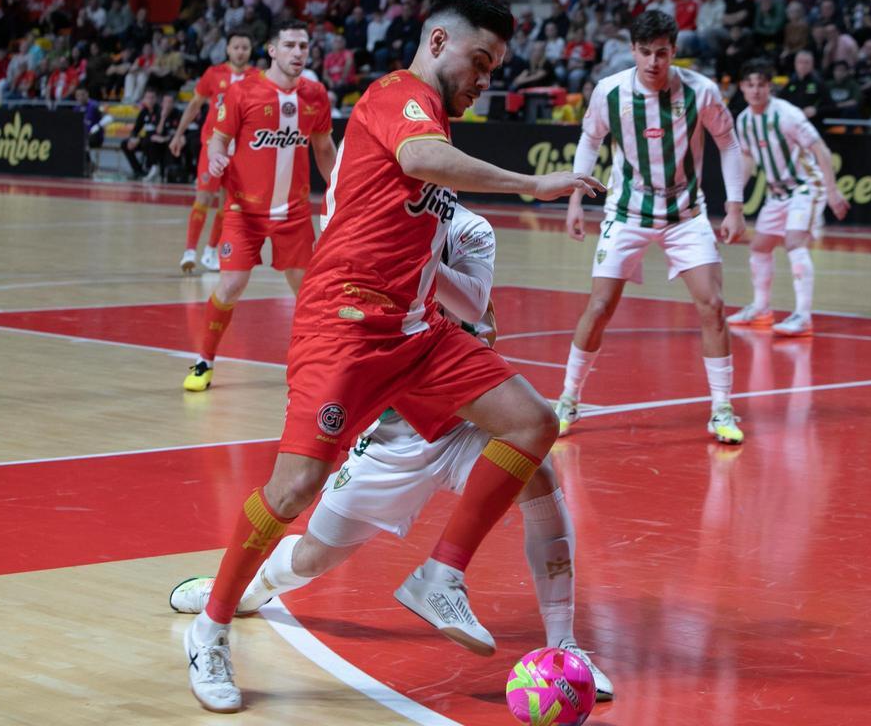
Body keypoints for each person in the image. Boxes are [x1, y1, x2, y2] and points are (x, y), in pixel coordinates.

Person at [178, 0, 603, 714]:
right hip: (344, 325)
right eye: (479, 61)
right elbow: (423, 156)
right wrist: (532, 184)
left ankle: (443, 574)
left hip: (415, 330)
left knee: (534, 423)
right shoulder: (395, 95)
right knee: (293, 491)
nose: (485, 80)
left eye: (495, 68)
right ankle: (212, 627)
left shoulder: (434, 119)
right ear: (437, 42)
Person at [169, 206, 614, 701]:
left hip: (466, 422)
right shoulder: (361, 221)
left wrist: (418, 259)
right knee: (314, 554)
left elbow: (475, 309)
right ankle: (245, 591)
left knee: (541, 473)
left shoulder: (469, 230)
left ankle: (565, 646)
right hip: (393, 437)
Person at [553, 10, 747, 444]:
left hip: (686, 214)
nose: (654, 61)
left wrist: (734, 207)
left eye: (662, 53)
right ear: (633, 51)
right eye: (645, 53)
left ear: (674, 51)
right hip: (626, 213)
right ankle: (568, 400)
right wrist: (575, 198)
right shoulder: (610, 92)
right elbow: (590, 140)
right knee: (599, 307)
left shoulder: (702, 91)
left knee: (713, 304)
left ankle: (721, 408)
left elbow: (728, 143)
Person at [181, 20, 337, 393]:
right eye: (290, 45)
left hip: (294, 213)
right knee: (232, 284)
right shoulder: (243, 92)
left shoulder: (315, 95)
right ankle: (204, 361)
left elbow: (324, 149)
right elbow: (218, 141)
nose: (298, 52)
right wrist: (217, 158)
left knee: (309, 292)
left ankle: (317, 365)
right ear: (272, 50)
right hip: (243, 212)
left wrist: (339, 189)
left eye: (304, 46)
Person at [727, 59, 849, 337]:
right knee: (759, 247)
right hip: (776, 192)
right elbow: (747, 158)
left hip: (806, 186)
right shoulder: (744, 119)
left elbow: (821, 150)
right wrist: (735, 198)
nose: (756, 90)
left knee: (795, 242)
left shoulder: (787, 114)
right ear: (742, 88)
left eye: (761, 85)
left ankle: (803, 316)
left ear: (770, 87)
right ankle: (761, 308)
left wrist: (832, 191)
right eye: (750, 85)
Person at [169, 29, 254, 274]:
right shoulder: (213, 73)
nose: (240, 51)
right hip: (212, 144)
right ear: (227, 49)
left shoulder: (257, 77)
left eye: (245, 47)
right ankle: (189, 251)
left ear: (250, 51)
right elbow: (195, 105)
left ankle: (211, 251)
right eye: (236, 47)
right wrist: (178, 134)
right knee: (204, 198)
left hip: (238, 150)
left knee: (227, 204)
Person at [120, 88, 159, 179]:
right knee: (125, 144)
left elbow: (159, 132)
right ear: (144, 99)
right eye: (148, 98)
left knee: (148, 142)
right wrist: (132, 139)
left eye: (152, 98)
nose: (150, 100)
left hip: (156, 141)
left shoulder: (160, 111)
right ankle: (138, 170)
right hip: (145, 140)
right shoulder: (143, 112)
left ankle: (151, 168)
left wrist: (139, 139)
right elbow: (135, 129)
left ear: (156, 99)